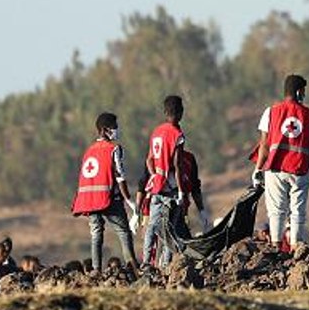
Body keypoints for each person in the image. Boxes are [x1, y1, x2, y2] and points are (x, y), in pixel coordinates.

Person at [253, 74, 309, 249]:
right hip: (300, 169)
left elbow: (264, 144)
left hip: (275, 169)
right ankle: (295, 249)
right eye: (304, 91)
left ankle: (276, 248)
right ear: (299, 92)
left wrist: (258, 169)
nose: (304, 95)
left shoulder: (270, 112)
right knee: (298, 211)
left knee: (276, 211)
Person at [73, 112, 141, 273]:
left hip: (89, 200)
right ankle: (133, 267)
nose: (117, 130)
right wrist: (129, 201)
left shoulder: (89, 151)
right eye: (114, 127)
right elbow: (120, 176)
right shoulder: (113, 149)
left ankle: (96, 270)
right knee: (123, 231)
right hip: (108, 198)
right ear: (104, 130)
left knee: (96, 235)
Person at [141, 96, 187, 267]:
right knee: (170, 229)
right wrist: (181, 191)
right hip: (171, 189)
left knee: (152, 227)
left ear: (165, 112)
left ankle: (146, 262)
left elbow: (149, 160)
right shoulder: (177, 135)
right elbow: (177, 165)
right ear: (180, 112)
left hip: (156, 187)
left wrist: (155, 176)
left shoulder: (156, 132)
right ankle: (165, 265)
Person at [177, 148, 213, 235]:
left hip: (183, 209)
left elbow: (195, 186)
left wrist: (202, 211)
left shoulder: (189, 158)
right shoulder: (162, 156)